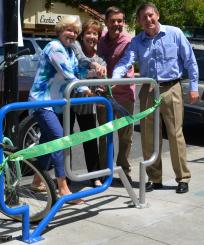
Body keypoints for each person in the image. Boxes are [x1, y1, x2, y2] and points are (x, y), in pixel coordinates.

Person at [112, 2, 199, 194]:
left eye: (150, 15)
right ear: (139, 21)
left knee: (175, 135)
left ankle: (183, 178)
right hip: (148, 90)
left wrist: (194, 87)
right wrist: (114, 78)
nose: (148, 20)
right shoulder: (137, 41)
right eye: (143, 18)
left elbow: (190, 61)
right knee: (149, 136)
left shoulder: (174, 33)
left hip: (171, 89)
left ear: (157, 15)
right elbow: (127, 60)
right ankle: (155, 177)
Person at [28, 16, 86, 203]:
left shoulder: (69, 51)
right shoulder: (54, 47)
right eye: (69, 30)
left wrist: (94, 72)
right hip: (42, 101)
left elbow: (78, 72)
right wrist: (84, 87)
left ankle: (37, 181)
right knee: (60, 139)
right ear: (60, 30)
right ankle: (63, 188)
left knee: (48, 141)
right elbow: (67, 73)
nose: (72, 34)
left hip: (56, 103)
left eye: (75, 32)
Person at [97, 6, 135, 183]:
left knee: (125, 136)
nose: (117, 24)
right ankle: (105, 171)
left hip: (125, 95)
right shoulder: (100, 40)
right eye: (113, 21)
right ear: (106, 22)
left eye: (120, 21)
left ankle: (124, 170)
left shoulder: (129, 41)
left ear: (124, 22)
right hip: (104, 95)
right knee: (104, 135)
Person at [70, 19, 106, 187]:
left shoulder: (101, 60)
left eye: (95, 34)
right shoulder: (74, 49)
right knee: (65, 140)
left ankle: (95, 176)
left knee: (90, 141)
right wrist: (93, 66)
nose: (92, 36)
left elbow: (101, 85)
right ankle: (64, 177)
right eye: (89, 33)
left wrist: (98, 92)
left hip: (86, 105)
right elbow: (80, 59)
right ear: (82, 35)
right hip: (68, 103)